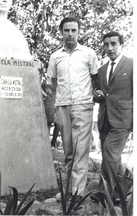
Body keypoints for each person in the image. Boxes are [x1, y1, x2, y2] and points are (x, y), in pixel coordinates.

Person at [47, 16, 99, 196]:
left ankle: (77, 193)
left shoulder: (88, 54)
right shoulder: (55, 56)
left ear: (78, 32)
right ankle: (69, 190)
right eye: (66, 30)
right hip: (63, 105)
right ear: (61, 33)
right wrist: (61, 99)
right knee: (68, 150)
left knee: (81, 149)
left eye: (73, 30)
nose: (70, 34)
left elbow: (95, 79)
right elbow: (53, 82)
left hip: (82, 105)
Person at [90, 31, 133, 205]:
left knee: (109, 151)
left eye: (113, 44)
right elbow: (98, 94)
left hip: (123, 119)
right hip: (104, 119)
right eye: (106, 44)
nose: (109, 48)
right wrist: (97, 94)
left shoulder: (132, 65)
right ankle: (120, 192)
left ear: (121, 45)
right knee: (114, 158)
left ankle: (105, 192)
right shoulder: (101, 70)